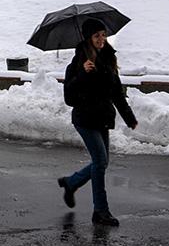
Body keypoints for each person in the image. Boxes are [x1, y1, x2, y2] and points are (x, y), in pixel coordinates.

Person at [57, 18, 137, 227]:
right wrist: (83, 74)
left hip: (102, 119)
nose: (101, 39)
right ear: (88, 38)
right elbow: (69, 99)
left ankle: (71, 182)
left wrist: (129, 117)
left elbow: (117, 94)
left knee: (101, 162)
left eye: (103, 34)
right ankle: (100, 212)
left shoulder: (109, 61)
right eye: (96, 36)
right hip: (84, 119)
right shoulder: (77, 64)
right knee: (100, 161)